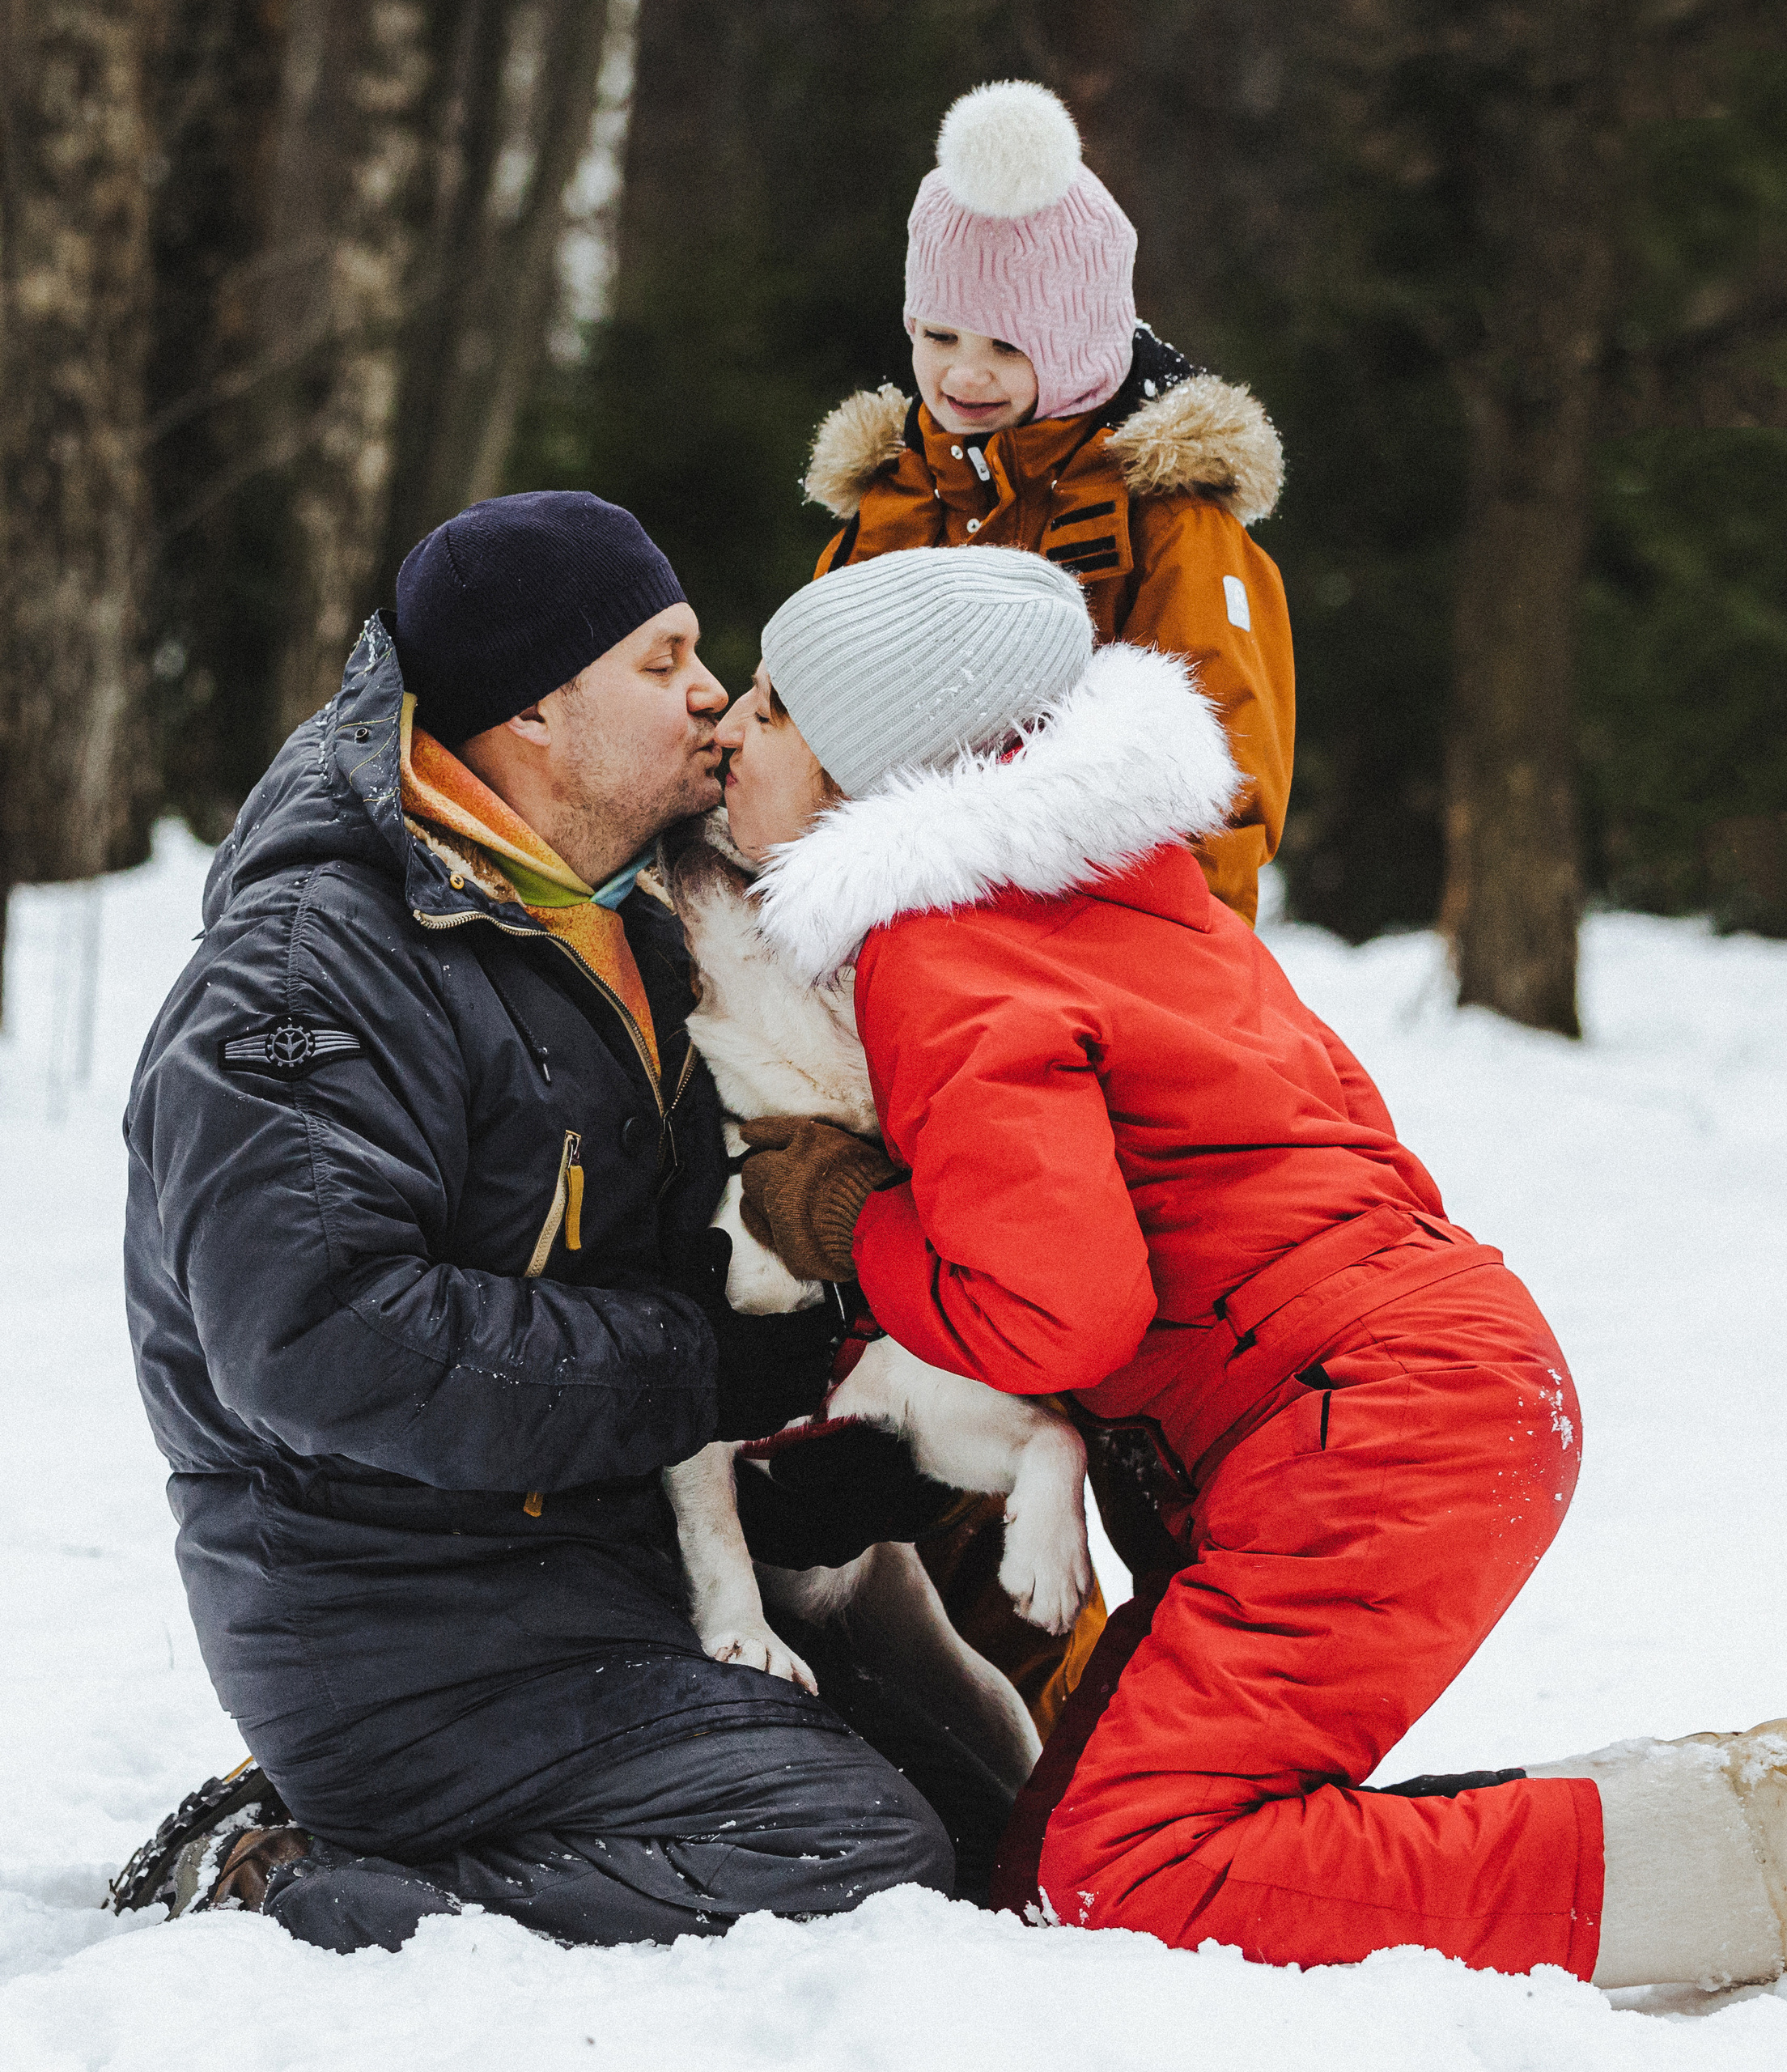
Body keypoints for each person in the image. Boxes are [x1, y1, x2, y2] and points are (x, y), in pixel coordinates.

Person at [717, 542, 1787, 1989]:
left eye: (777, 707)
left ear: (872, 764)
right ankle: (1688, 1831)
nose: (729, 726)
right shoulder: (1139, 896)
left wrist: (847, 1216)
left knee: (1123, 1880)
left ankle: (1735, 1864)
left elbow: (1055, 1310)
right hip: (1430, 1383)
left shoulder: (941, 948)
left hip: (1361, 1429)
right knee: (1048, 1879)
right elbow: (1331, 1145)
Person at [115, 491, 953, 1950]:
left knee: (1002, 1817)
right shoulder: (311, 974)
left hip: (584, 1577)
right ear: (534, 710)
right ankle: (297, 1879)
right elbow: (317, 1338)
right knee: (858, 1850)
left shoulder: (619, 918)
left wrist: (831, 1430)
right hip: (399, 1628)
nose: (711, 693)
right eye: (662, 660)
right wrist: (698, 1371)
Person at [801, 79, 1293, 930]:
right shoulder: (898, 494)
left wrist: (1179, 956)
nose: (964, 374)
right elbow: (809, 718)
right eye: (940, 336)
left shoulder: (1168, 520)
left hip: (1092, 936)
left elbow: (1227, 782)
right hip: (890, 931)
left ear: (1077, 346)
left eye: (1006, 346)